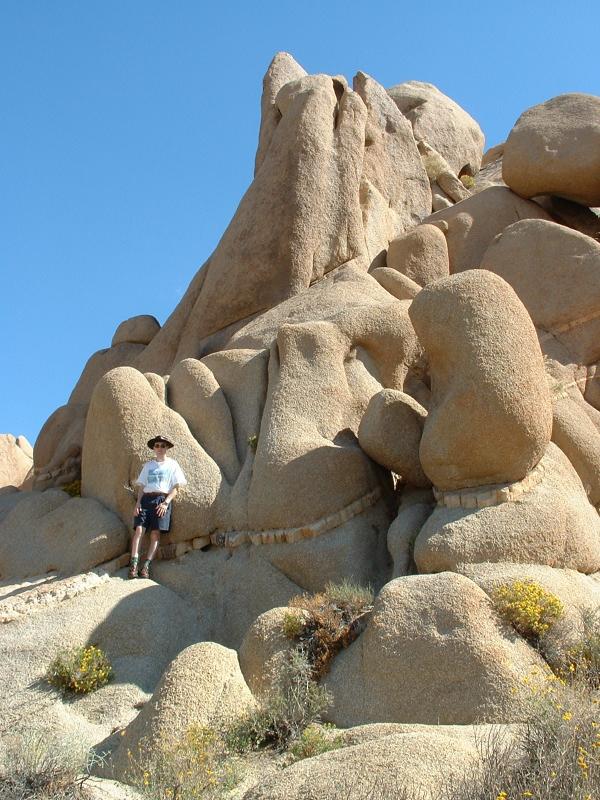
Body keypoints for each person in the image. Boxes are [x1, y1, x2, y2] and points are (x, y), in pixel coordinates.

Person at [128, 435, 187, 579]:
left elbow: (176, 488)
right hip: (146, 500)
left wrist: (166, 503)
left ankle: (146, 566)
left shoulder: (173, 465)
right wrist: (137, 504)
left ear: (167, 448)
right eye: (157, 445)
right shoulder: (148, 466)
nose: (159, 448)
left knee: (155, 534)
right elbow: (142, 487)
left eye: (162, 445)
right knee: (139, 531)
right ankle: (134, 566)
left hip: (161, 500)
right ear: (154, 448)